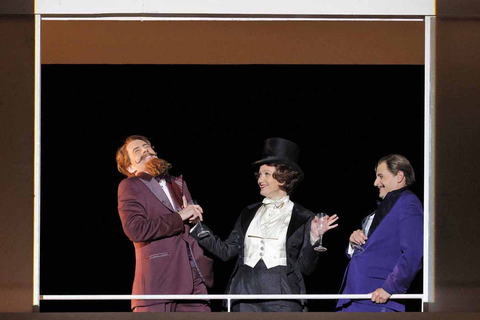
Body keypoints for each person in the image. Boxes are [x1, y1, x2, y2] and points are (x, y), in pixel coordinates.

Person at [191, 137, 339, 312]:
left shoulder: (305, 217)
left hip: (283, 294)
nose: (260, 179)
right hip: (243, 294)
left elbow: (306, 268)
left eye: (267, 174)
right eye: (259, 174)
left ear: (283, 178)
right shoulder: (248, 213)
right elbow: (226, 251)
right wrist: (196, 226)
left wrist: (314, 238)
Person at [116, 135, 214, 312]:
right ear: (130, 166)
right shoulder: (130, 185)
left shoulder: (179, 183)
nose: (145, 150)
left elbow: (190, 227)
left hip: (195, 284)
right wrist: (180, 217)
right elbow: (135, 229)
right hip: (159, 286)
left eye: (147, 147)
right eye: (137, 150)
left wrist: (195, 221)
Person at [336, 154, 423, 312]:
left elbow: (414, 252)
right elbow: (371, 250)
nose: (376, 183)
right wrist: (353, 243)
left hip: (377, 299)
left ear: (399, 176)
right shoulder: (380, 210)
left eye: (381, 176)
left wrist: (390, 287)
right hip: (354, 298)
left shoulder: (408, 203)